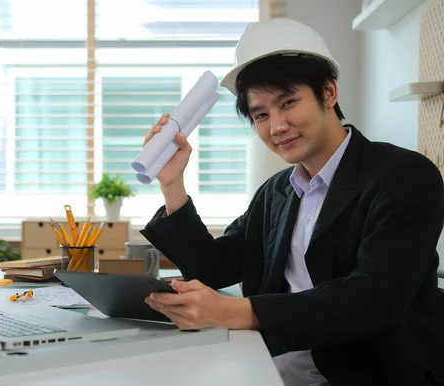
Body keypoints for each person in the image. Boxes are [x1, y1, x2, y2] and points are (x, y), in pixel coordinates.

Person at [140, 17, 444, 386]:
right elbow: (216, 268)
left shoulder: (404, 175)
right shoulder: (277, 191)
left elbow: (375, 297)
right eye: (261, 115)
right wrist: (173, 184)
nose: (277, 126)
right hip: (274, 366)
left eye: (288, 103)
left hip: (371, 373)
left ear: (328, 93)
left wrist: (242, 311)